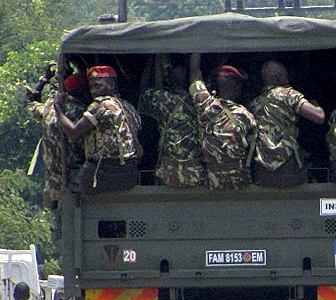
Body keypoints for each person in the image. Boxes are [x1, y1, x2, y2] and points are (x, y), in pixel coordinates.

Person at [57, 65, 142, 194]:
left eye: (98, 86)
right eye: (91, 87)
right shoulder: (127, 106)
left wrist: (58, 110)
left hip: (105, 173)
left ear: (112, 85)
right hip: (130, 173)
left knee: (72, 183)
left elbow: (74, 133)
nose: (94, 92)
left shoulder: (101, 104)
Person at [24, 63, 91, 209]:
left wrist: (44, 79)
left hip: (54, 185)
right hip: (76, 180)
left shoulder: (49, 108)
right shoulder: (82, 113)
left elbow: (29, 102)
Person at [249, 60, 325, 187]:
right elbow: (318, 117)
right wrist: (317, 106)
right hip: (288, 164)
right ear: (279, 77)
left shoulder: (254, 104)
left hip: (262, 168)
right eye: (285, 75)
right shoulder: (288, 95)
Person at [189, 53, 257, 190]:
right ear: (237, 89)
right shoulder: (246, 116)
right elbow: (252, 147)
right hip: (239, 181)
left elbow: (194, 75)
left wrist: (195, 46)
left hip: (212, 180)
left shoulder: (205, 105)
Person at [139, 57, 205, 187]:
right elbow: (197, 75)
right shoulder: (199, 101)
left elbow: (144, 89)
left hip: (168, 171)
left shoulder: (163, 99)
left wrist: (149, 60)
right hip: (195, 171)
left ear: (169, 81)